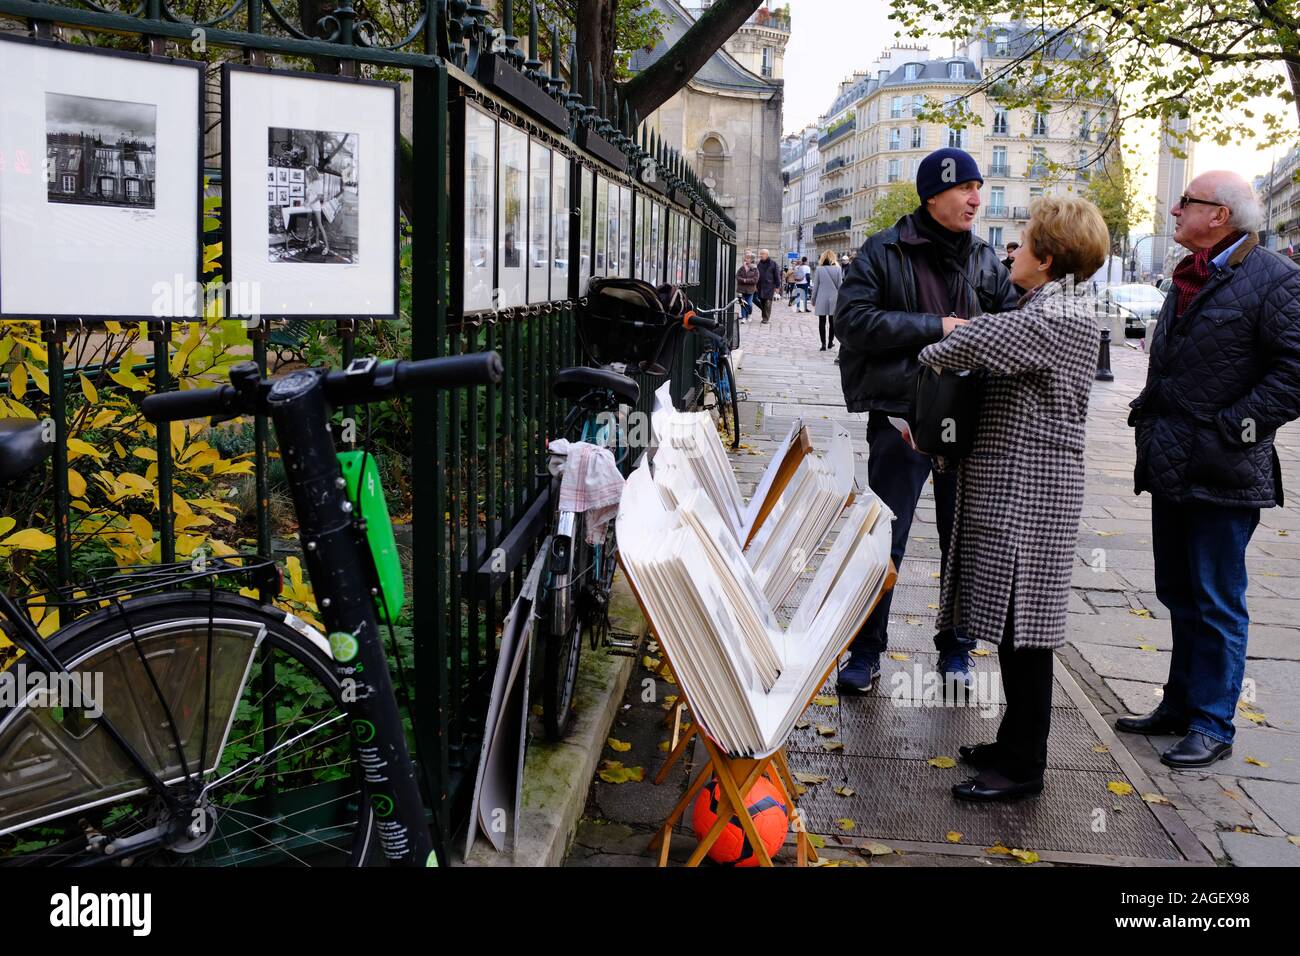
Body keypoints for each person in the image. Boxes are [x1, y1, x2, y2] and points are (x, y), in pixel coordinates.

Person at [918, 196, 1111, 801]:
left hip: (1031, 491)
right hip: (1019, 485)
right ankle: (1012, 742)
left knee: (1025, 630)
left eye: (1023, 244)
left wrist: (932, 342)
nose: (1013, 254)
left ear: (1048, 257)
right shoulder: (1051, 305)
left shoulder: (1056, 317)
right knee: (1011, 622)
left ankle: (1024, 765)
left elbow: (959, 348)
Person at [1121, 171, 1300, 768]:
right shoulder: (1191, 275)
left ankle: (1213, 723)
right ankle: (1179, 704)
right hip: (1172, 462)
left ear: (1220, 215)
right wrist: (1147, 414)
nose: (1175, 210)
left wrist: (1233, 428)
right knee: (1179, 593)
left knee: (1219, 599)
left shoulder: (1274, 280)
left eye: (1187, 202)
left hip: (1224, 470)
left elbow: (1294, 373)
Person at [834, 147, 1019, 693]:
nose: (976, 199)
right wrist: (936, 326)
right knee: (884, 539)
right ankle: (865, 652)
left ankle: (956, 651)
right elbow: (854, 322)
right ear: (933, 194)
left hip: (967, 425)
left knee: (959, 541)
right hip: (901, 419)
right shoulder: (881, 252)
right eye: (966, 188)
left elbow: (1009, 327)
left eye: (979, 187)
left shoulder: (986, 260)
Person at [812, 250, 842, 350]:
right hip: (834, 298)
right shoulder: (838, 269)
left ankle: (823, 344)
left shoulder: (819, 269)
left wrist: (813, 299)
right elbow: (840, 286)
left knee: (822, 321)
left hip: (821, 297)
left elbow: (815, 286)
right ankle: (830, 342)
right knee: (832, 322)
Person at [755, 249, 781, 324]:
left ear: (767, 255)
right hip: (760, 286)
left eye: (762, 254)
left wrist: (777, 287)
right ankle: (764, 316)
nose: (761, 255)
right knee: (762, 302)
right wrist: (756, 285)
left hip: (769, 286)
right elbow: (757, 275)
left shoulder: (773, 264)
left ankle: (766, 318)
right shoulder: (759, 264)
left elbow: (777, 276)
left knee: (768, 302)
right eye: (760, 254)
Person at [736, 251, 758, 324]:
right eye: (746, 258)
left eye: (748, 258)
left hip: (750, 289)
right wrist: (743, 280)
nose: (746, 259)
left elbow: (755, 279)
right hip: (741, 289)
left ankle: (749, 314)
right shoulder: (742, 268)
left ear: (751, 260)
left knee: (749, 304)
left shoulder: (755, 268)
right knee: (742, 303)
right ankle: (743, 317)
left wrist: (746, 280)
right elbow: (737, 276)